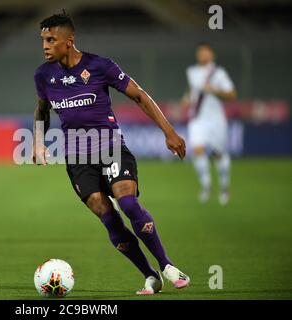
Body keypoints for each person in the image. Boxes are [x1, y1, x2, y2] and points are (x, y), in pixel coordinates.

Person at [32, 11, 190, 295]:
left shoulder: (99, 66)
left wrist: (169, 131)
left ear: (68, 41)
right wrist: (38, 142)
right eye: (43, 39)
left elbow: (139, 95)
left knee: (128, 204)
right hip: (78, 159)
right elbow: (42, 110)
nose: (45, 45)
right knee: (108, 216)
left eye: (51, 39)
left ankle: (166, 264)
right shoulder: (43, 75)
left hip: (111, 147)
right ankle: (150, 275)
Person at [181, 43, 237, 205]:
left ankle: (225, 187)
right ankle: (206, 186)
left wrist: (213, 89)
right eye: (201, 52)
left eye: (206, 52)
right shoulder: (192, 72)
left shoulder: (218, 73)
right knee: (198, 150)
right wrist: (185, 100)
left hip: (216, 119)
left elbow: (232, 94)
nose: (203, 55)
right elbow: (192, 91)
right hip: (197, 119)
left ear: (212, 55)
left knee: (219, 153)